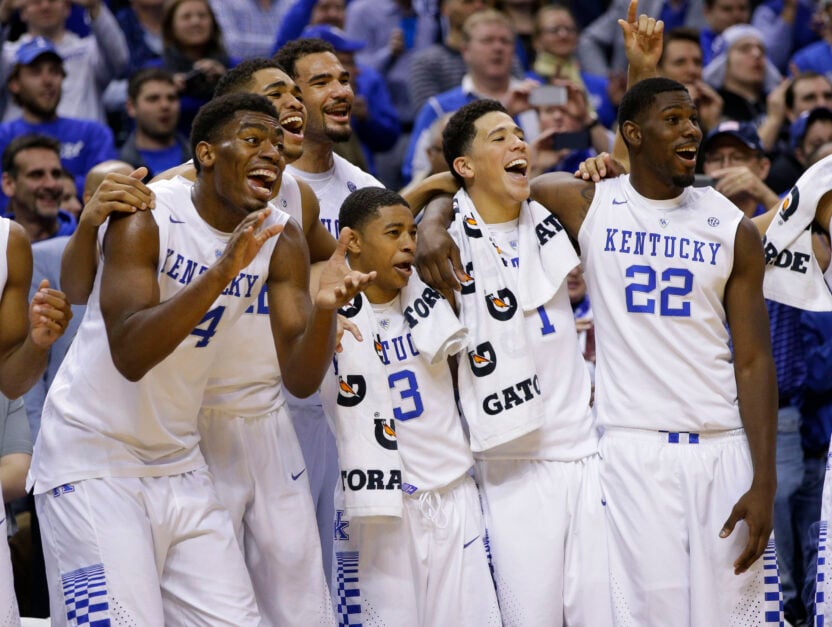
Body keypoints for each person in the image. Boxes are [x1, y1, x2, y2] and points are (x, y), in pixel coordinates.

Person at [418, 76, 784, 625]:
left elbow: (755, 361)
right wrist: (432, 219)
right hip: (628, 452)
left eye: (693, 118)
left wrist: (765, 480)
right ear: (632, 134)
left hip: (719, 446)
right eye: (674, 119)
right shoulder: (585, 202)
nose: (691, 129)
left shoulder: (730, 226)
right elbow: (477, 184)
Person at [27, 92, 372, 623]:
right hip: (92, 459)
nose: (272, 154)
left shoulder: (279, 238)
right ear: (206, 154)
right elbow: (130, 353)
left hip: (179, 460)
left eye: (279, 146)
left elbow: (300, 381)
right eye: (254, 140)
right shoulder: (148, 217)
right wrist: (220, 273)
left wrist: (324, 312)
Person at [428, 97, 614, 625]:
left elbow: (630, 188)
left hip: (583, 453)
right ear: (463, 167)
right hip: (510, 465)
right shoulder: (442, 247)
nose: (518, 143)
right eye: (499, 137)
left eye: (518, 133)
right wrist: (432, 216)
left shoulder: (550, 206)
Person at [322, 186, 501, 626]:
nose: (408, 242)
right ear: (354, 242)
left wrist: (437, 212)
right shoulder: (327, 314)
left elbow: (449, 188)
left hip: (452, 492)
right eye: (393, 232)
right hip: (378, 507)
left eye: (412, 232)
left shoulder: (434, 298)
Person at [273, 37, 384, 579]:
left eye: (343, 79)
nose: (341, 90)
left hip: (348, 409)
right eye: (321, 82)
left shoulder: (366, 188)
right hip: (273, 403)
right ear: (289, 99)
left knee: (340, 586)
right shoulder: (263, 183)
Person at [0, 37, 117, 214]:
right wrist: (76, 184)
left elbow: (106, 185)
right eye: (36, 72)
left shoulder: (94, 133)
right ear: (15, 84)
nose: (47, 81)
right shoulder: (3, 136)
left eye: (54, 71)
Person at [0, 0, 128, 124]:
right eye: (36, 2)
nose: (45, 6)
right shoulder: (9, 55)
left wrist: (95, 8)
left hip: (83, 143)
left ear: (67, 8)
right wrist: (3, 14)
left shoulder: (88, 51)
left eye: (53, 0)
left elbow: (120, 59)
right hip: (21, 142)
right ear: (23, 11)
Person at [119, 68, 191, 180]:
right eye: (153, 99)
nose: (165, 105)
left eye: (171, 98)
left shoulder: (200, 159)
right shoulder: (119, 167)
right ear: (131, 107)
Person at [2, 134, 76, 242]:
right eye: (37, 175)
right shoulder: (3, 241)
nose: (51, 184)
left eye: (56, 174)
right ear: (9, 184)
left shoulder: (87, 244)